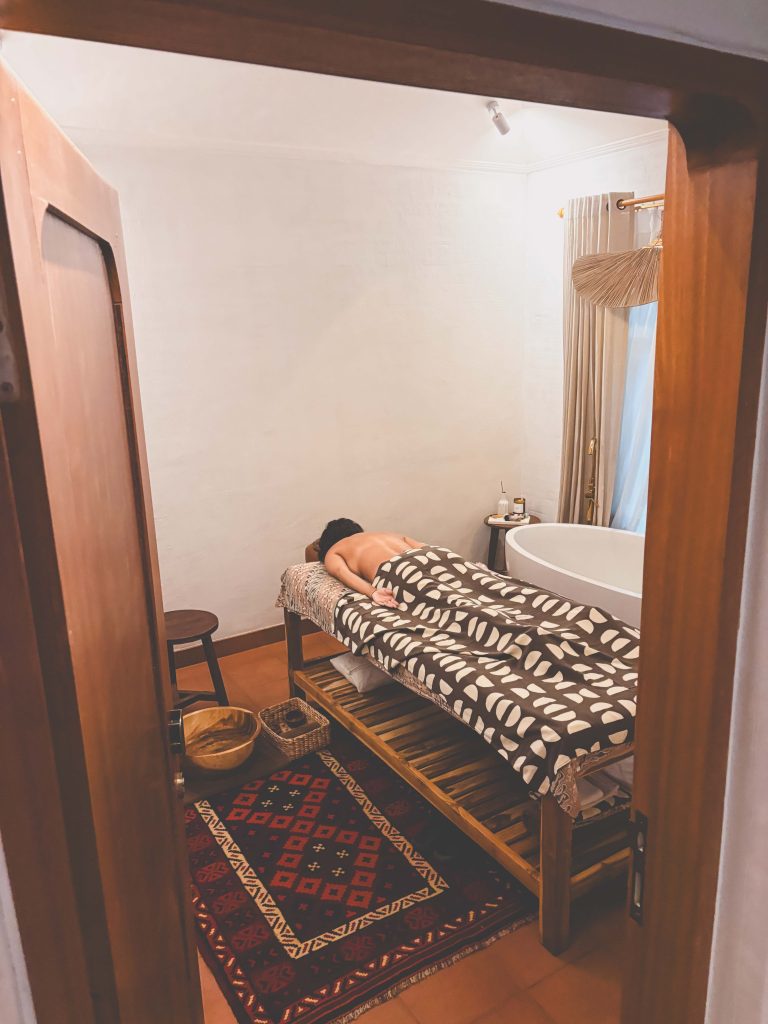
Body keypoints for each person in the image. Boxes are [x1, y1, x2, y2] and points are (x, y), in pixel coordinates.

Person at [318, 518, 424, 608]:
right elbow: (423, 547)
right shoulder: (388, 534)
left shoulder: (333, 550)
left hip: (398, 571)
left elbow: (341, 572)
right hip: (425, 558)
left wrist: (373, 592)